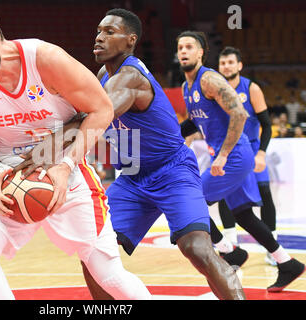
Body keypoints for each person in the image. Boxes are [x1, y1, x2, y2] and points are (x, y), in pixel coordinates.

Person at [17, 9, 244, 300]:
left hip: (172, 170)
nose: (99, 37)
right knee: (92, 252)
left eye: (110, 32)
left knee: (196, 248)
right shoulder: (102, 75)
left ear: (130, 40)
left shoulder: (131, 77)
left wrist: (45, 152)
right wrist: (40, 150)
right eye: (99, 30)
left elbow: (92, 120)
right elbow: (78, 118)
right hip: (134, 177)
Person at [0, 5, 151, 300]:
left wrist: (66, 165)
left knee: (108, 274)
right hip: (10, 174)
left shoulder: (44, 58)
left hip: (66, 167)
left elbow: (102, 109)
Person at [177, 30, 305, 292]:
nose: (183, 51)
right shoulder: (185, 87)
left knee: (191, 201)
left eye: (189, 46)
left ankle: (230, 252)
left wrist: (223, 154)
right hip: (228, 155)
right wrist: (177, 144)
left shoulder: (210, 79)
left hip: (235, 154)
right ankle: (286, 262)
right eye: (179, 47)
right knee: (243, 214)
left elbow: (240, 114)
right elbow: (194, 124)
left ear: (201, 52)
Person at [217, 46, 279, 266]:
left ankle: (273, 247)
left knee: (264, 195)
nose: (226, 66)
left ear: (239, 65)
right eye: (223, 63)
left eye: (230, 62)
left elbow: (267, 126)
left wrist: (261, 153)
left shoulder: (251, 88)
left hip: (252, 150)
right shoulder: (214, 89)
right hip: (228, 151)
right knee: (225, 195)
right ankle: (232, 246)